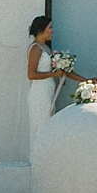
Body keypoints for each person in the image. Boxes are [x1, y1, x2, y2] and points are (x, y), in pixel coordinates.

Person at [25, 14, 89, 145]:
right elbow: (31, 74)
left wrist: (86, 81)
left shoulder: (46, 48)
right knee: (40, 124)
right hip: (39, 92)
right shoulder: (35, 49)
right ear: (41, 30)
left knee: (48, 122)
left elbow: (64, 71)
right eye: (50, 27)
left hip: (48, 90)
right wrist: (53, 75)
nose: (52, 30)